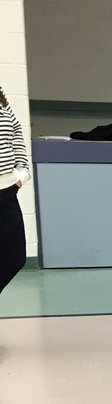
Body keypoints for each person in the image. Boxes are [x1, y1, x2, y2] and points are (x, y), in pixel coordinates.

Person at [0, 87, 30, 296]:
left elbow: (16, 131)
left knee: (15, 258)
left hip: (7, 192)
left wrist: (22, 173)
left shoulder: (1, 99)